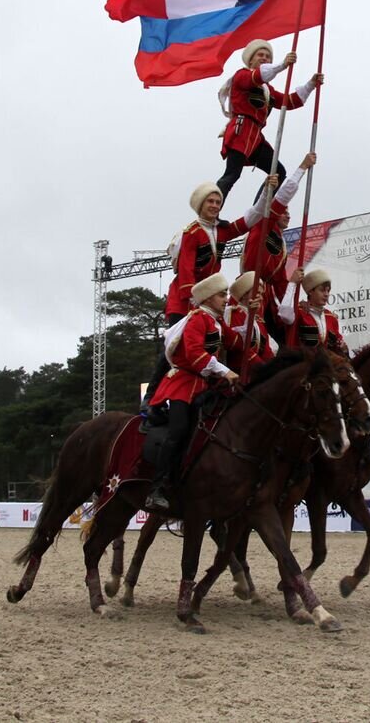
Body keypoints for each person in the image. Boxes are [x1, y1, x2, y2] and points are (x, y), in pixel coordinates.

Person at [141, 172, 303, 409]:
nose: (215, 206)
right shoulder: (192, 232)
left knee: (216, 343)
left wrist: (267, 192)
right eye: (210, 201)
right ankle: (150, 399)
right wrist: (195, 307)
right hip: (186, 299)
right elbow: (186, 273)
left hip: (209, 300)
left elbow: (252, 217)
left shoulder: (220, 230)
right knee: (175, 346)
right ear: (200, 205)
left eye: (218, 202)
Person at [145, 273, 240, 512]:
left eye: (226, 294)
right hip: (183, 384)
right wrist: (225, 371)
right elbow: (196, 356)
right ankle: (158, 487)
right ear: (208, 298)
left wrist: (252, 314)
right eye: (221, 295)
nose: (226, 299)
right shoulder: (198, 319)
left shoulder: (217, 322)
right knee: (178, 431)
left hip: (204, 386)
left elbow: (238, 343)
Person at [216, 40, 324, 203]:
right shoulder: (242, 76)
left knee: (278, 171)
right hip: (242, 130)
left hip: (255, 137)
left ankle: (258, 210)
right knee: (232, 174)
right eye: (260, 55)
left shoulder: (267, 89)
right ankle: (213, 210)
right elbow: (257, 76)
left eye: (268, 56)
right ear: (250, 59)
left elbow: (289, 102)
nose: (264, 58)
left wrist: (311, 84)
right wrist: (282, 65)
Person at [240, 151, 317, 340]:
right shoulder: (263, 223)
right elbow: (282, 197)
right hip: (251, 293)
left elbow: (281, 281)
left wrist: (292, 300)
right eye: (284, 211)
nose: (287, 214)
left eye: (288, 212)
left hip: (269, 298)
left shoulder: (280, 243)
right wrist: (303, 168)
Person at [284, 268, 349, 357]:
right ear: (310, 291)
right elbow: (284, 315)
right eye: (322, 290)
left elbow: (337, 343)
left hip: (326, 366)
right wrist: (292, 283)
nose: (326, 294)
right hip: (303, 365)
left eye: (328, 290)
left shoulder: (331, 317)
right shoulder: (299, 312)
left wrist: (342, 347)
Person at [221, 272, 275, 373]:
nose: (261, 298)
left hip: (257, 373)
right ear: (245, 294)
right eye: (257, 293)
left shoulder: (258, 321)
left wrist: (273, 366)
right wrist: (263, 368)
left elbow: (266, 351)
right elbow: (241, 349)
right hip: (239, 373)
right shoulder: (235, 315)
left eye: (261, 294)